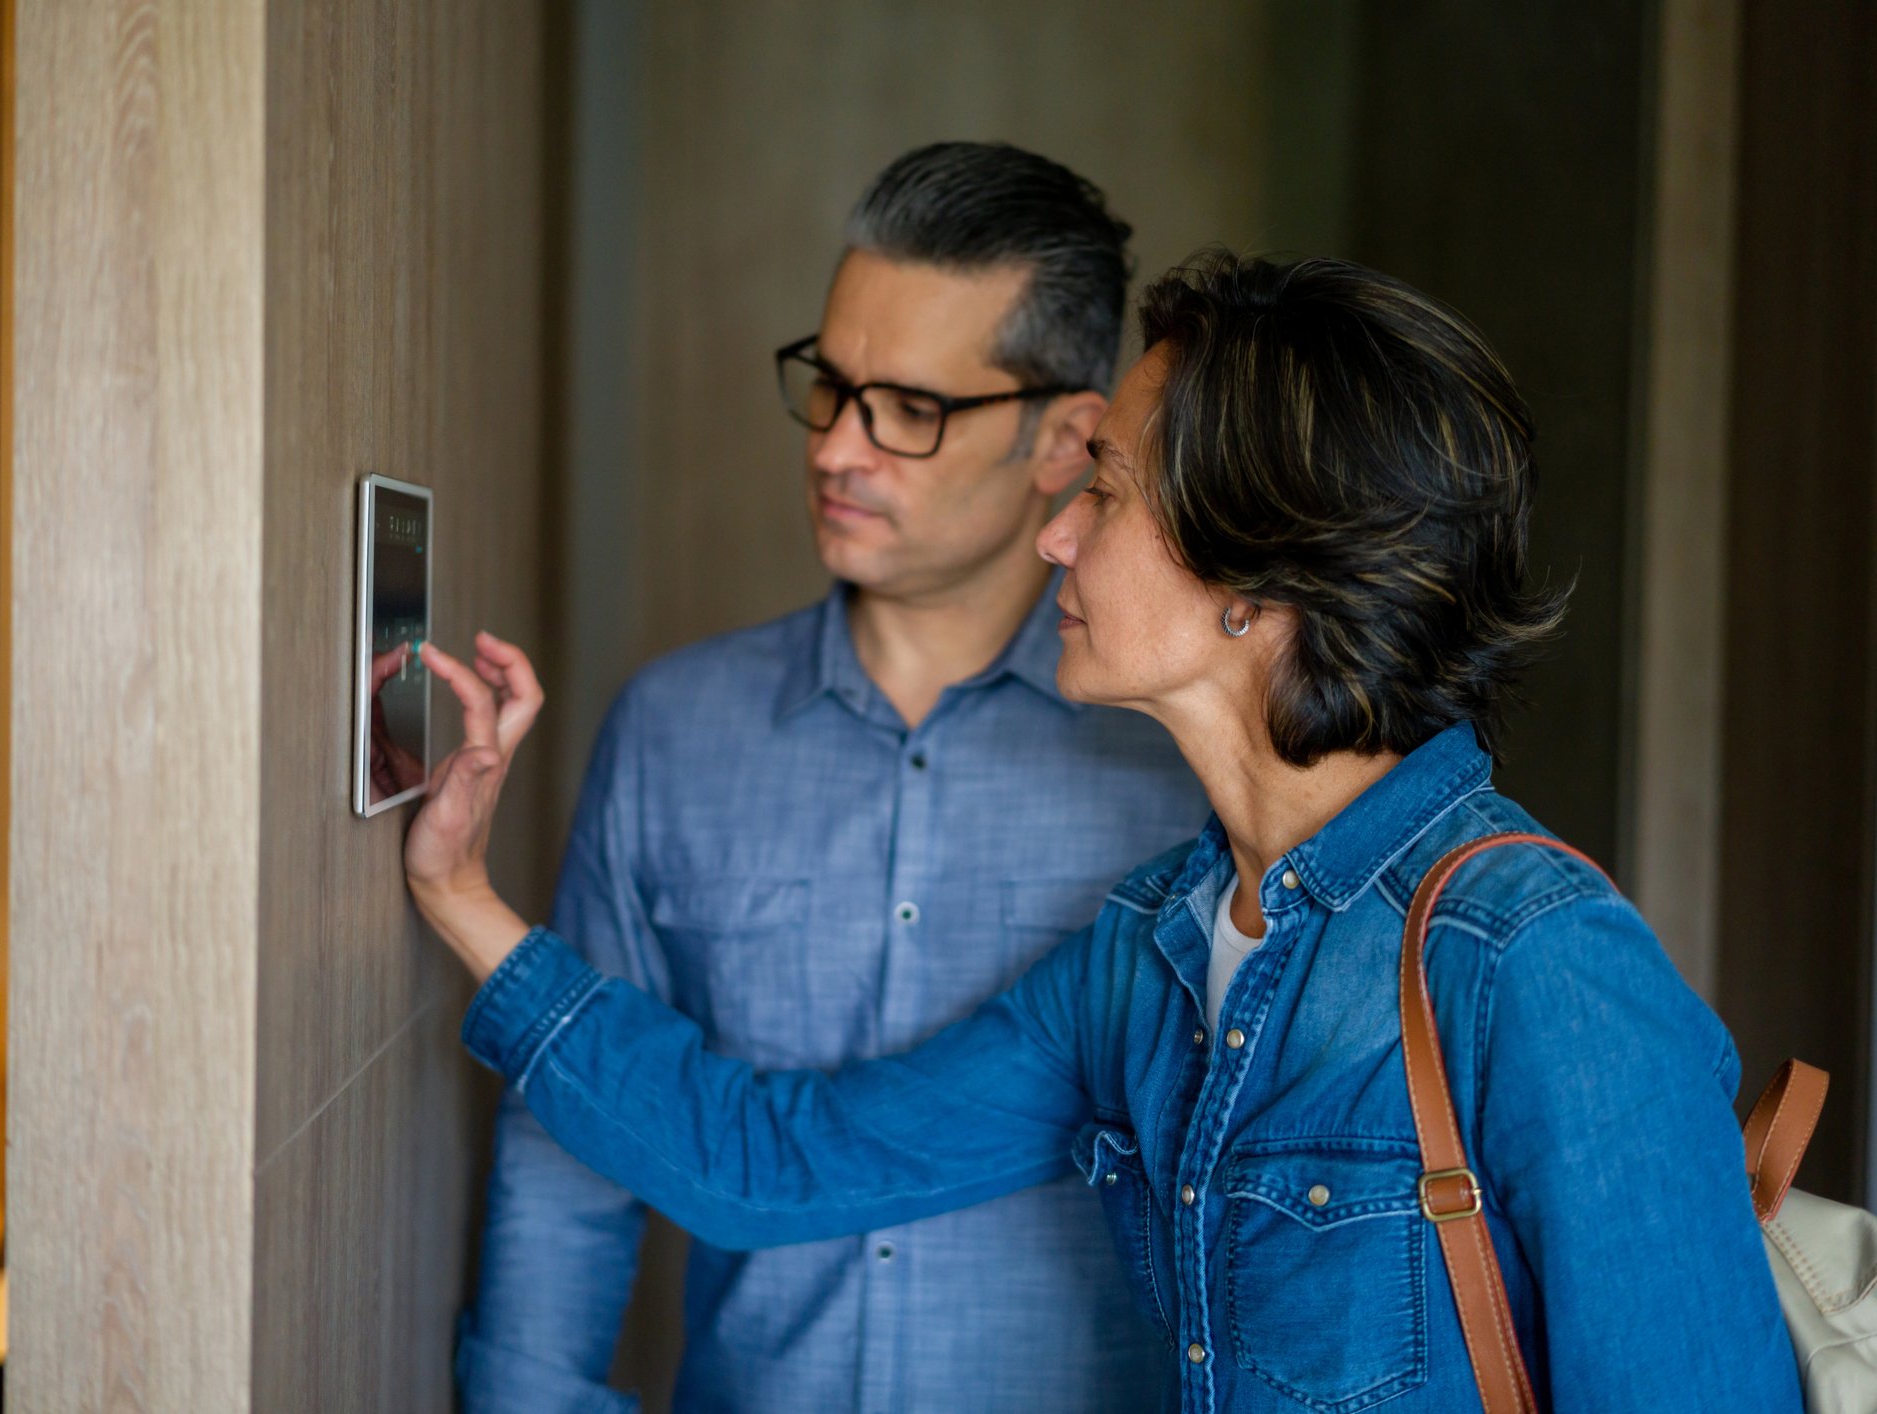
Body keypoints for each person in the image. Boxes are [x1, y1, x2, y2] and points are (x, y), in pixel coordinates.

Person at [410, 253, 1804, 1412]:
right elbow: (780, 1164)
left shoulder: (1544, 971)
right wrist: (467, 896)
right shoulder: (1146, 953)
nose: (1059, 536)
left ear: (1258, 578)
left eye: (1111, 492)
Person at [454, 142, 1207, 1414]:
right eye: (829, 384)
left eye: (909, 409)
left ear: (1065, 441)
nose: (838, 448)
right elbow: (573, 1161)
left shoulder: (1177, 766)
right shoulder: (673, 731)